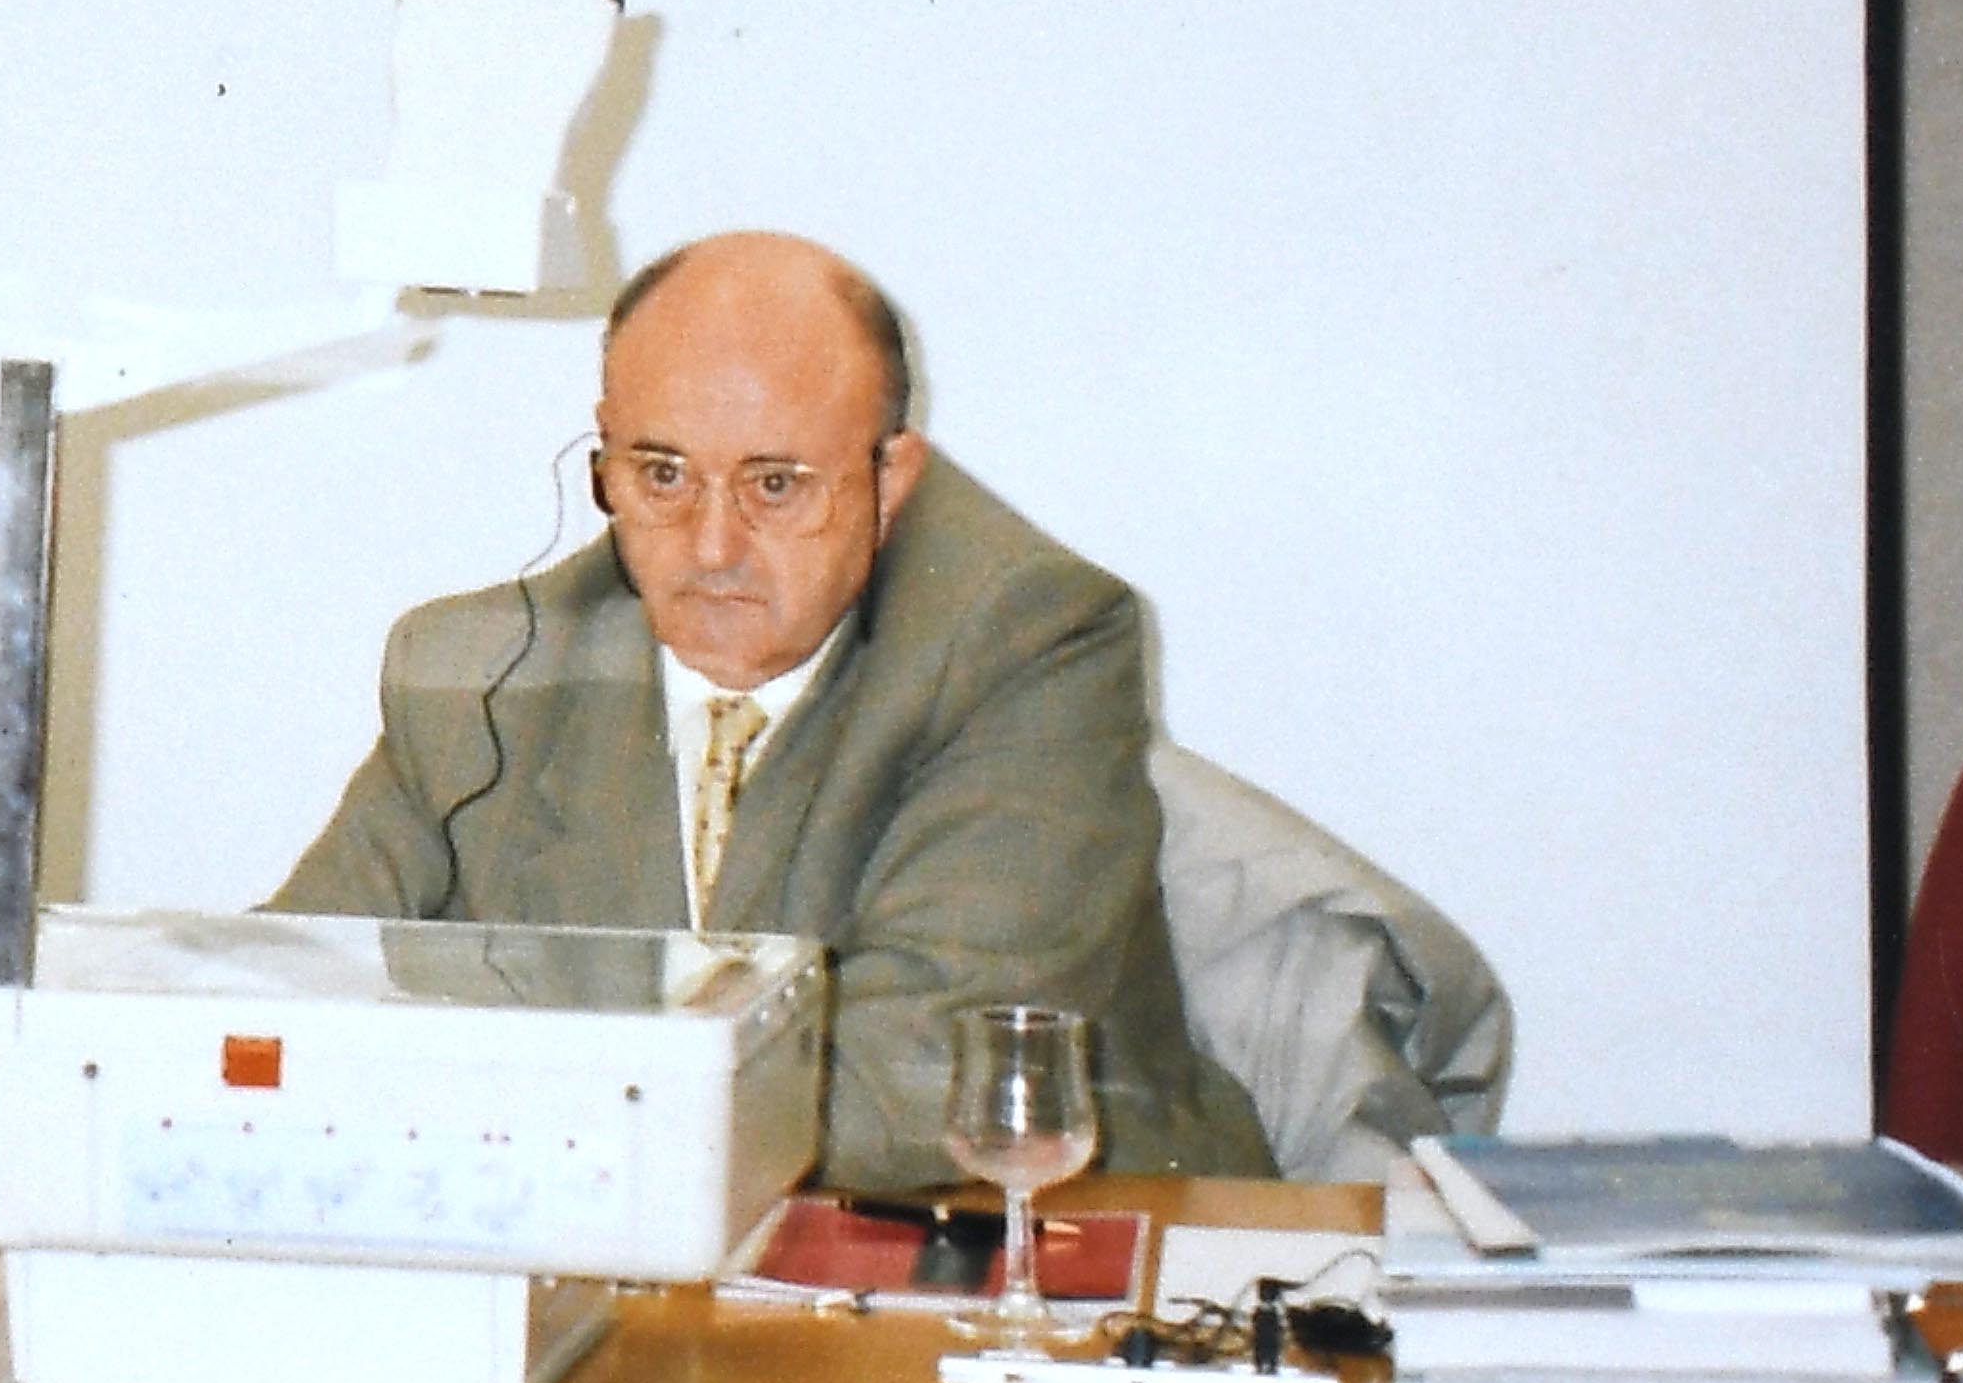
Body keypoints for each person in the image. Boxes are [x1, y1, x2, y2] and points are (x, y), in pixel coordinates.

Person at [268, 227, 1265, 1187]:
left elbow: (913, 1081)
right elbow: (275, 1009)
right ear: (605, 456)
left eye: (776, 485)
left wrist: (464, 1100)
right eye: (662, 474)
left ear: (890, 479)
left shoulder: (1028, 639)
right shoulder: (477, 673)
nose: (712, 548)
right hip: (635, 1242)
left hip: (1042, 1239)